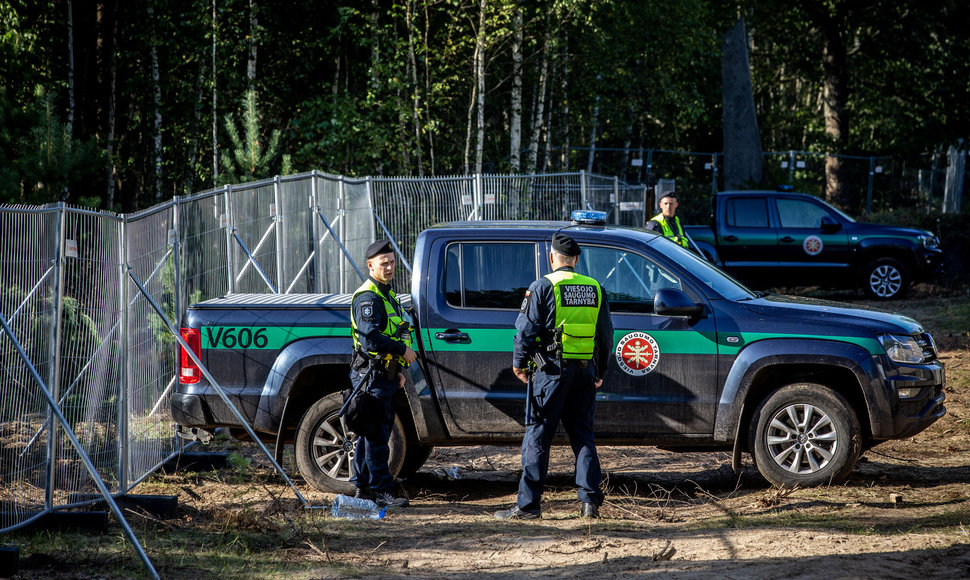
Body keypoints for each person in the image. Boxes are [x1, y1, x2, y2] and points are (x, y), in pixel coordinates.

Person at [494, 232, 613, 520]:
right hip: (584, 373)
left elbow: (525, 331)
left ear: (552, 257)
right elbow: (606, 335)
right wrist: (600, 370)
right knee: (583, 436)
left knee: (538, 437)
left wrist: (519, 364)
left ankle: (528, 506)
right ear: (576, 259)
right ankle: (589, 503)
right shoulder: (595, 287)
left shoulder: (543, 286)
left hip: (550, 373)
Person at [348, 239, 418, 508]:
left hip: (383, 375)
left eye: (391, 262)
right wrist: (401, 350)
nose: (389, 267)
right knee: (377, 438)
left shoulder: (387, 295)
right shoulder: (368, 297)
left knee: (370, 435)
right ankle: (381, 491)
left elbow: (394, 329)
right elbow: (371, 340)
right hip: (369, 377)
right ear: (370, 266)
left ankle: (362, 489)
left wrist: (397, 370)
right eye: (383, 263)